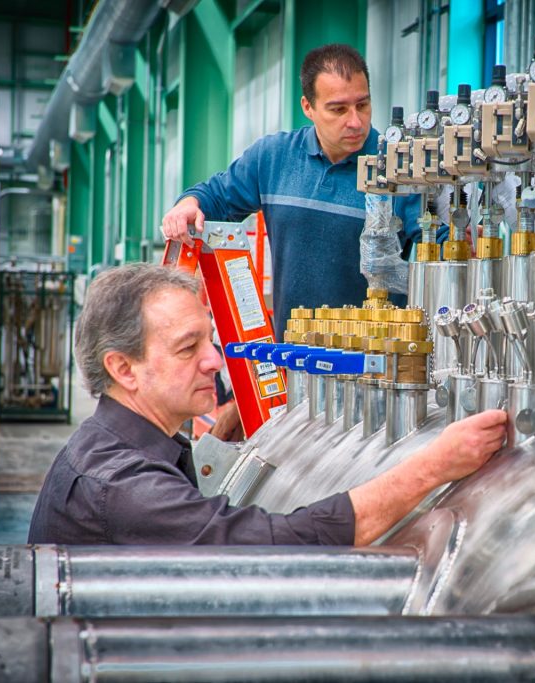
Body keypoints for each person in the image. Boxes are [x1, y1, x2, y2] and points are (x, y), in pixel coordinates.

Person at [27, 263, 506, 546]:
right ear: (123, 368)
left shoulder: (119, 445)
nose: (215, 361)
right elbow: (279, 545)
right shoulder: (123, 487)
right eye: (187, 347)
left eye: (210, 342)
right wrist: (433, 466)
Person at [161, 43, 424, 440]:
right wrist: (188, 204)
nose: (355, 121)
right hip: (296, 367)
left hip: (379, 374)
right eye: (338, 109)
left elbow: (434, 255)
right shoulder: (275, 158)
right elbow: (216, 195)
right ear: (308, 106)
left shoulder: (401, 166)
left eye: (363, 105)